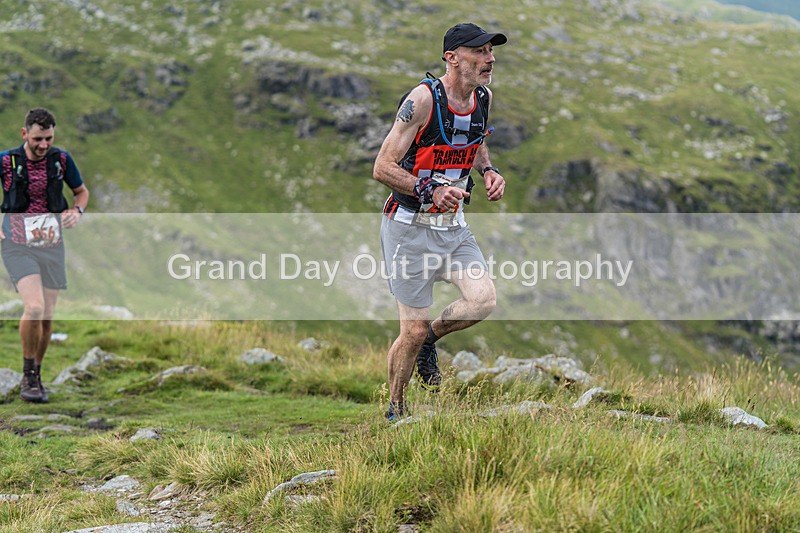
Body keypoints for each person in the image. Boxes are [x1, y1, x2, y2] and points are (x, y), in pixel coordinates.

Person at [373, 23, 507, 421]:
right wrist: (428, 188)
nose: (490, 59)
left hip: (453, 228)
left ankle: (432, 337)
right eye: (480, 52)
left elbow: (476, 140)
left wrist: (487, 171)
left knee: (483, 301)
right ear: (452, 57)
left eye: (491, 51)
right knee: (408, 332)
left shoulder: (482, 97)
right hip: (408, 228)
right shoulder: (422, 101)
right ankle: (396, 409)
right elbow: (382, 166)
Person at [1, 108, 89, 403]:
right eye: (38, 138)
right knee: (35, 308)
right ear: (24, 133)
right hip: (16, 244)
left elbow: (81, 192)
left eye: (49, 138)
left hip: (52, 244)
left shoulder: (61, 160)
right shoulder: (7, 161)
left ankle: (37, 375)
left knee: (48, 316)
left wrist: (77, 211)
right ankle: (27, 375)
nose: (43, 145)